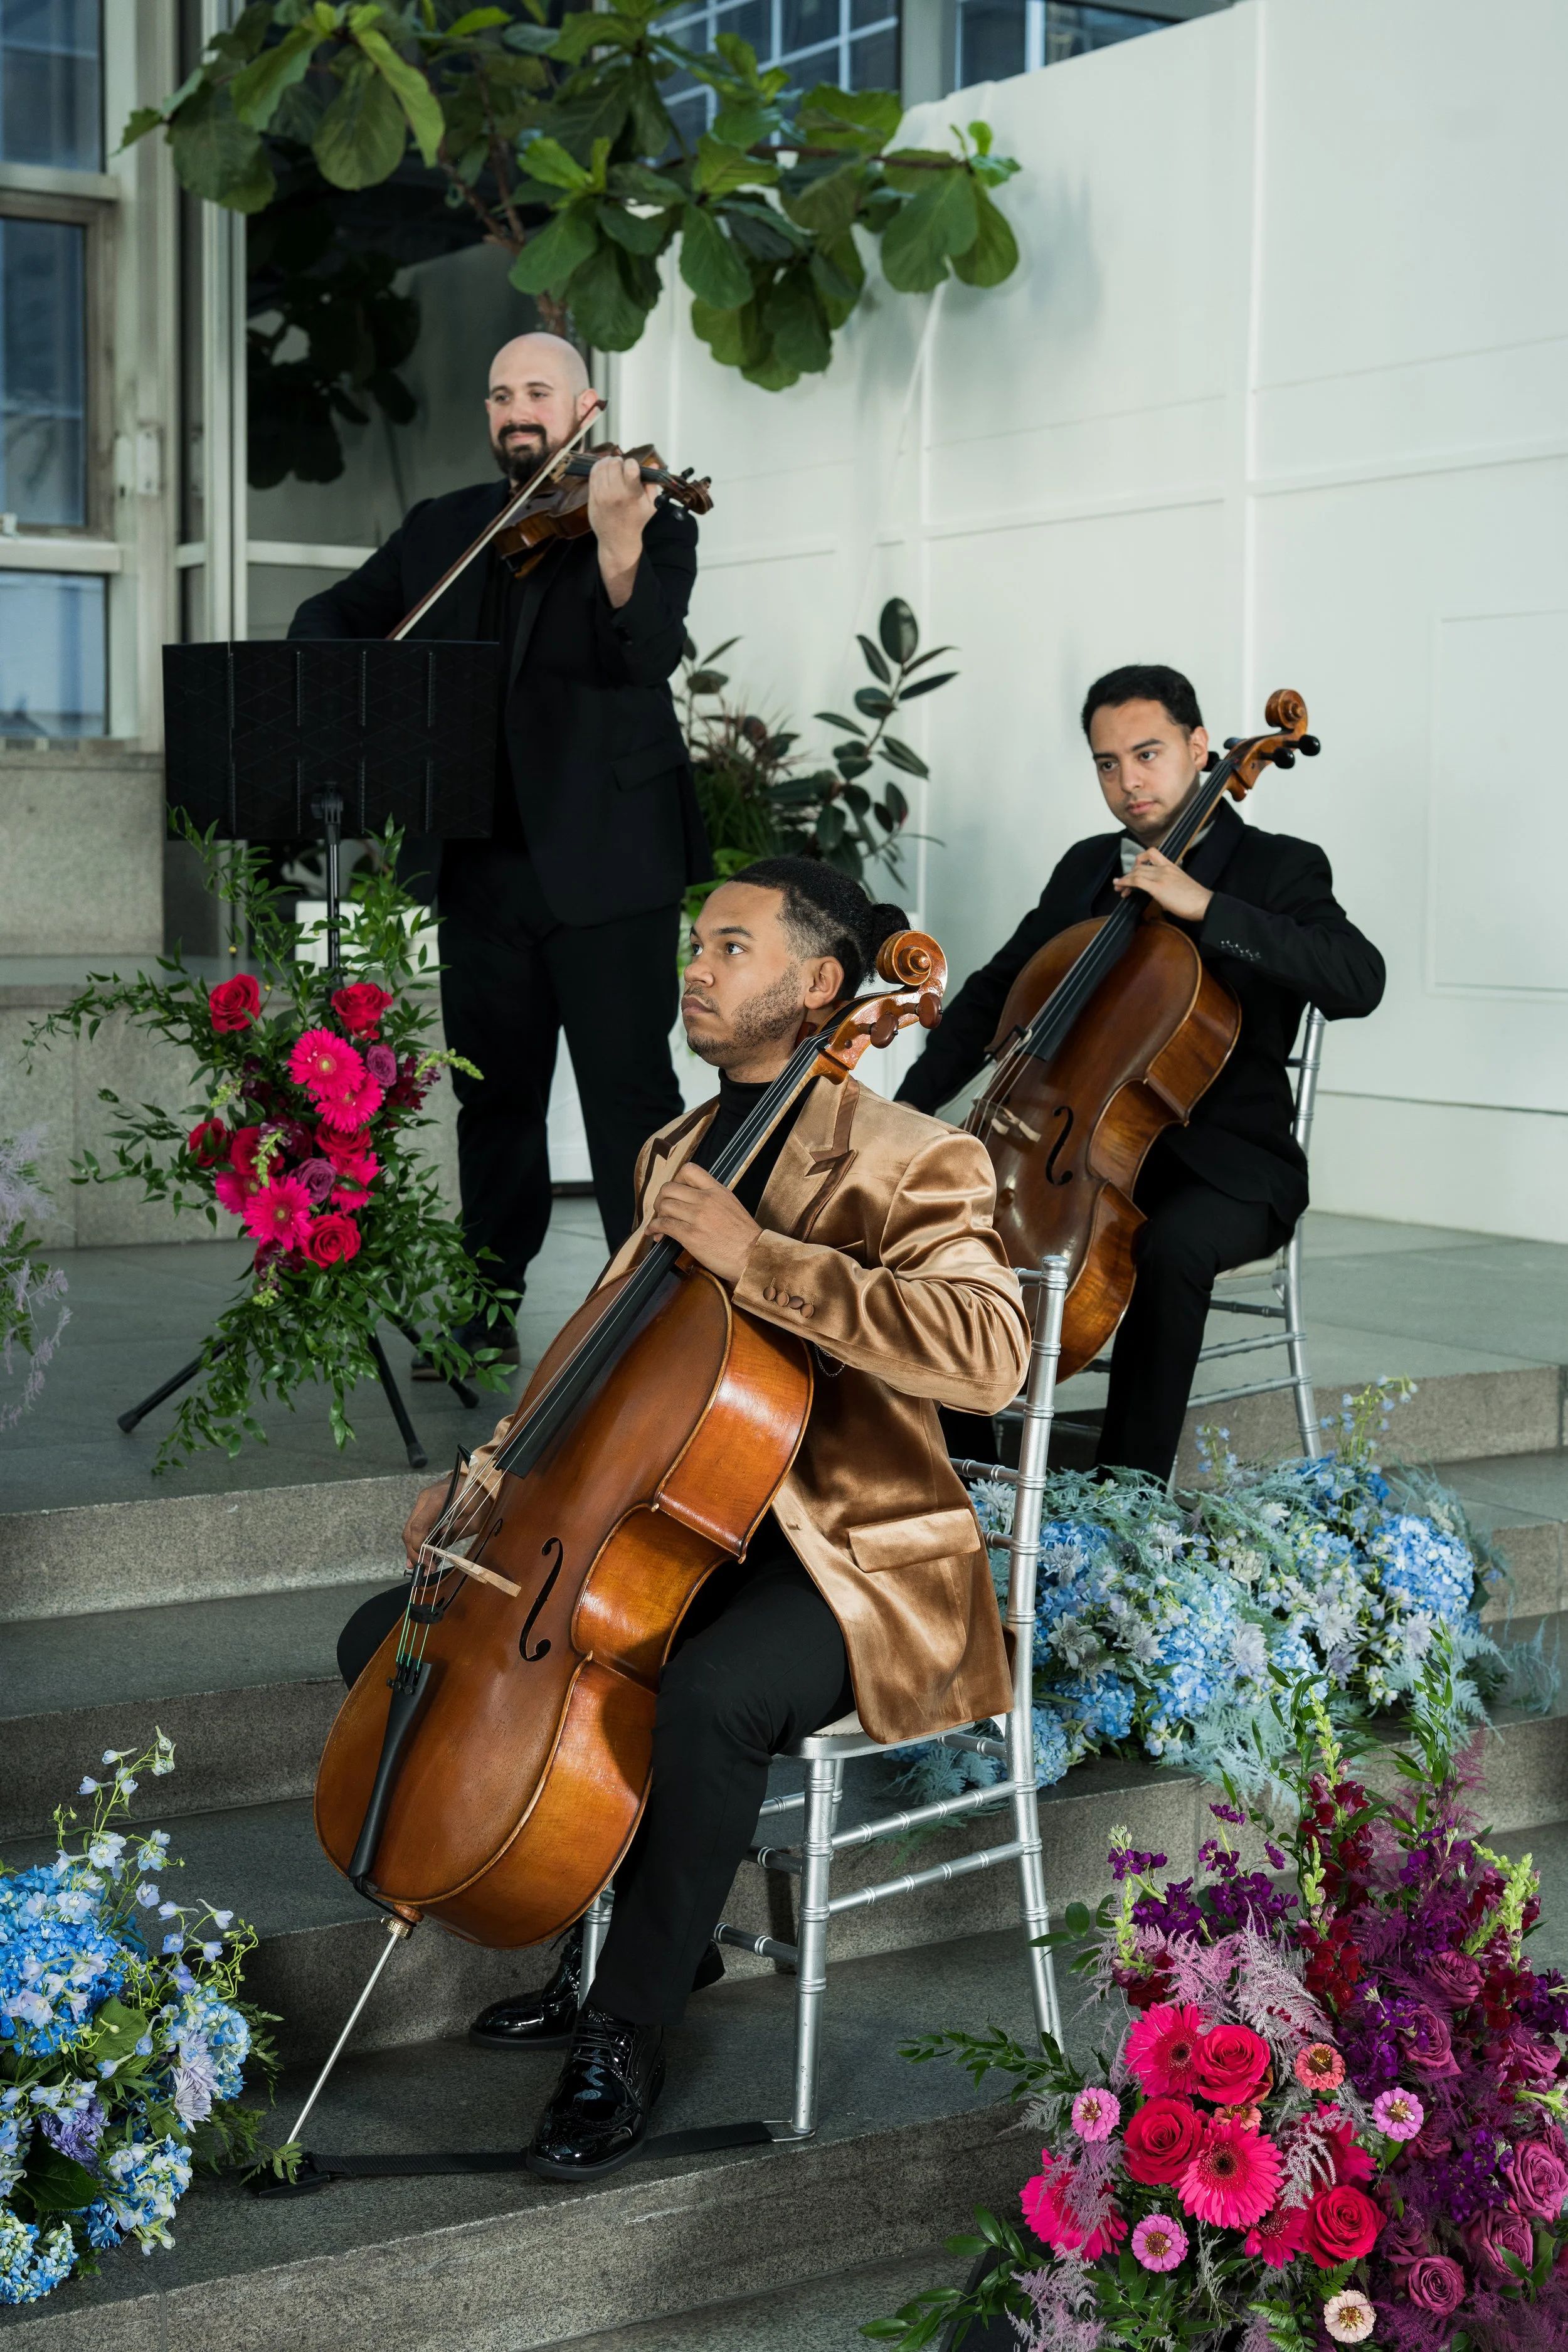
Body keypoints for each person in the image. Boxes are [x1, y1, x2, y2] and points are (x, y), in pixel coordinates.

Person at [335, 856, 1030, 2180]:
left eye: (729, 948)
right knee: (402, 1635)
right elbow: (606, 1349)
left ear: (820, 985)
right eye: (695, 946)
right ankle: (618, 1917)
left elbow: (989, 1354)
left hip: (842, 1557)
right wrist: (489, 1475)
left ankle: (629, 2019)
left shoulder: (914, 1155)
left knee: (709, 1692)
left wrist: (758, 1257)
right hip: (669, 1522)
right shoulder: (677, 1145)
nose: (694, 970)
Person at [289, 332, 709, 1367]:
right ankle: (485, 1309)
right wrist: (342, 688)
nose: (517, 410)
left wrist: (617, 545)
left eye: (537, 392)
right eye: (500, 395)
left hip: (608, 864)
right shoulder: (445, 526)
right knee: (496, 1101)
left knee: (630, 1100)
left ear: (584, 407)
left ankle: (649, 1317)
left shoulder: (647, 517)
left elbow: (647, 655)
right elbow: (333, 613)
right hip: (480, 865)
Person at [896, 663, 1385, 1485]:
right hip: (1074, 1156)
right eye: (1107, 763)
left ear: (1199, 747)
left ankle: (1128, 1499)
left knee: (1171, 1247)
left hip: (1226, 1167)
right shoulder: (1088, 867)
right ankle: (971, 1477)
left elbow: (1359, 980)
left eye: (1148, 754)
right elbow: (996, 993)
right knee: (947, 1225)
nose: (1128, 781)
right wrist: (908, 1110)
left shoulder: (1279, 867)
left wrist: (1207, 908)